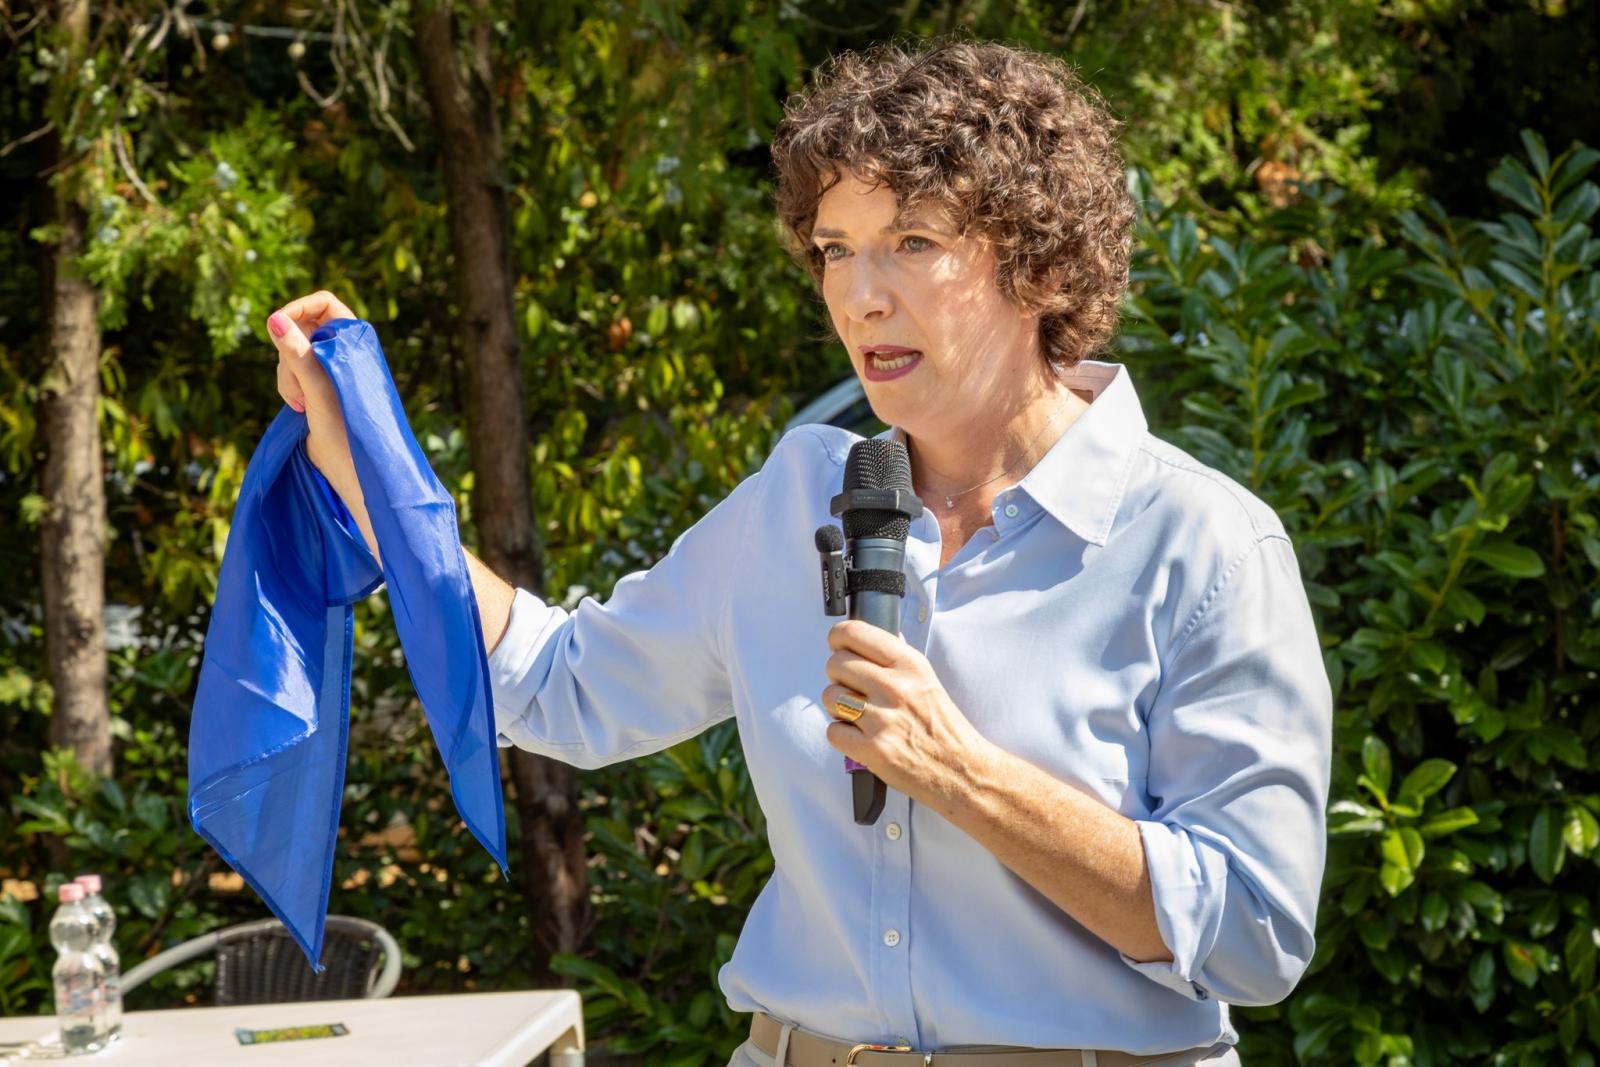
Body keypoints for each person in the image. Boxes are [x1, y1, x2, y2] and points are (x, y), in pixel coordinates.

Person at [269, 38, 1331, 1067]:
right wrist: (367, 472)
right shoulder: (795, 500)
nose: (860, 294)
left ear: (1044, 263)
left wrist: (963, 775)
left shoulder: (1203, 544)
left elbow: (1254, 931)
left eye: (913, 242)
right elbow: (558, 686)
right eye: (834, 248)